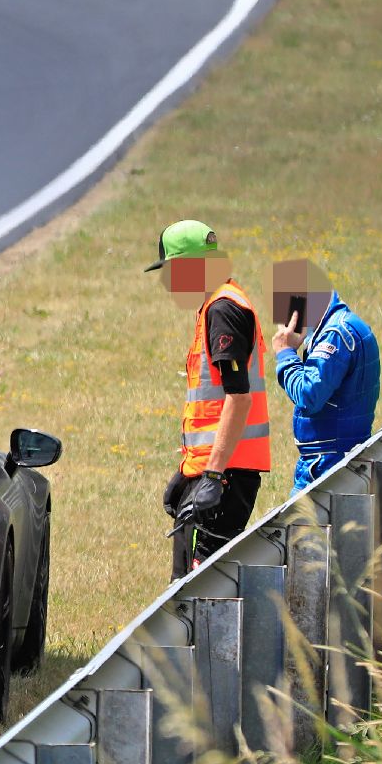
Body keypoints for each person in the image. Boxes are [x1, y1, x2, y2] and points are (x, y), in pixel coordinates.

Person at [146, 219, 271, 579]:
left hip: (226, 475)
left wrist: (213, 476)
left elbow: (238, 399)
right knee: (185, 582)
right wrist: (188, 473)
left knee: (200, 587)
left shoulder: (223, 310)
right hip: (217, 471)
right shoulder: (216, 305)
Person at [269, 259, 381, 494]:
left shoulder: (335, 336)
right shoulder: (341, 324)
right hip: (340, 455)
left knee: (301, 529)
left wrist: (286, 354)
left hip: (328, 463)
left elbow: (308, 396)